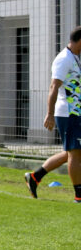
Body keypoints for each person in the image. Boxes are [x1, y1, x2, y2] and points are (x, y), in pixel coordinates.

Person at [41, 27, 81, 203]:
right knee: (74, 153)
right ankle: (79, 195)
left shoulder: (75, 57)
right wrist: (49, 113)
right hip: (68, 113)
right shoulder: (63, 59)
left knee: (72, 152)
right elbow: (54, 87)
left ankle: (35, 176)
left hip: (76, 112)